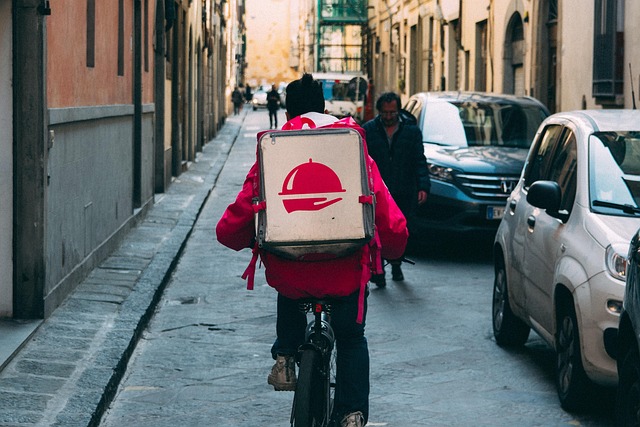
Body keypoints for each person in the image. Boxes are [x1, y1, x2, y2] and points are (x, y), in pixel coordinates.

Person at [216, 74, 408, 427]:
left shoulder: (274, 150)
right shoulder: (351, 145)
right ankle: (351, 412)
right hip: (345, 271)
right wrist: (394, 247)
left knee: (288, 280)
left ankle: (286, 358)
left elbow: (241, 215)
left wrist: (243, 238)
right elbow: (386, 213)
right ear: (323, 107)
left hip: (292, 274)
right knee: (351, 337)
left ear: (288, 110)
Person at [362, 92, 430, 287]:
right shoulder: (369, 131)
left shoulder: (412, 131)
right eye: (385, 113)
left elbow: (419, 160)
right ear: (379, 111)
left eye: (392, 112)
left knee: (400, 231)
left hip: (404, 189)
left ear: (398, 111)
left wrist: (423, 186)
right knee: (379, 232)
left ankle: (397, 263)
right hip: (379, 192)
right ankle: (379, 271)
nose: (389, 116)